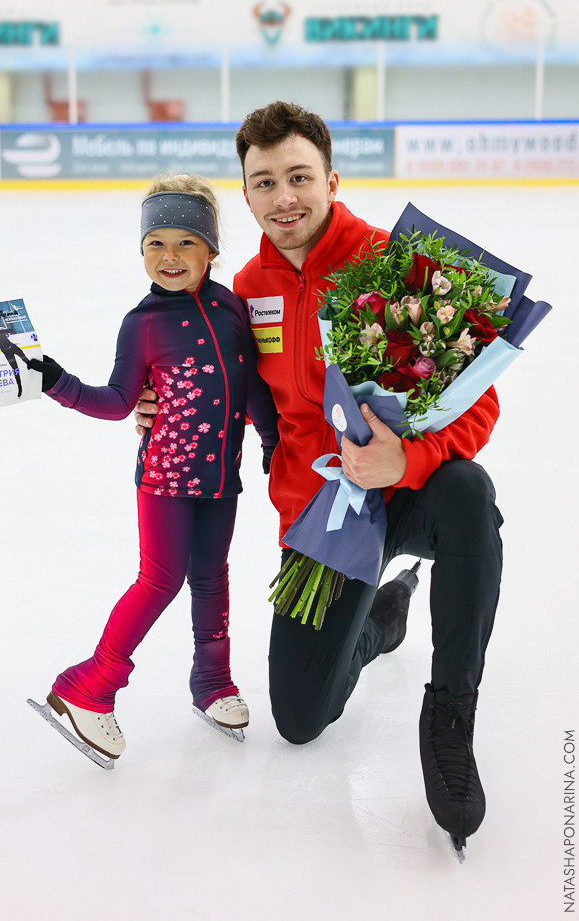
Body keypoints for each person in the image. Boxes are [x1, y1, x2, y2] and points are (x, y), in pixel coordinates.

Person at [135, 103, 503, 852]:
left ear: (330, 179)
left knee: (469, 493)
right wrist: (163, 404)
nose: (284, 198)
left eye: (298, 177)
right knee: (302, 719)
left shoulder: (393, 262)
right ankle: (378, 623)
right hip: (322, 518)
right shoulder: (242, 290)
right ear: (245, 195)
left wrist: (409, 460)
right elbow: (231, 400)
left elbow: (480, 400)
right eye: (263, 182)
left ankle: (451, 715)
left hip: (405, 495)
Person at [30, 172, 279, 761]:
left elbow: (251, 385)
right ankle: (90, 685)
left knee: (212, 578)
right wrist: (58, 383)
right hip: (165, 479)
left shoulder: (230, 308)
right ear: (141, 251)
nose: (170, 256)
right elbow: (119, 402)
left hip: (222, 479)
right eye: (155, 243)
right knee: (159, 580)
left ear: (212, 249)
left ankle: (211, 682)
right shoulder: (142, 324)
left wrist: (270, 437)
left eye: (186, 242)